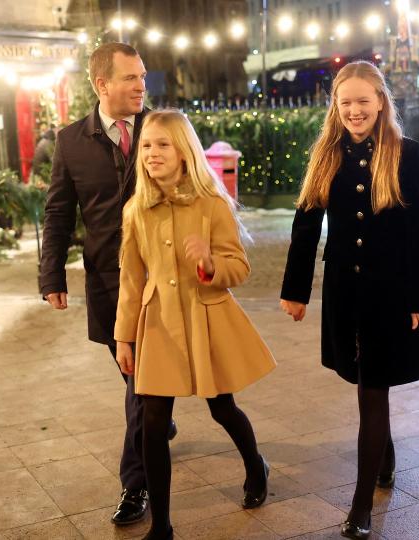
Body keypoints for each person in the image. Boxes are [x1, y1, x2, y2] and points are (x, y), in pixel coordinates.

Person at [280, 61, 419, 539]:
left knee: (373, 389)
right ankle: (384, 457)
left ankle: (361, 504)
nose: (354, 110)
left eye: (362, 101)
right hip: (346, 295)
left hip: (390, 295)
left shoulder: (405, 154)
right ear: (336, 106)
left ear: (380, 102)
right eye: (345, 102)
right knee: (367, 384)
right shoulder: (325, 154)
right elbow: (306, 225)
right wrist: (295, 290)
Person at [114, 109, 276, 540]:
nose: (152, 153)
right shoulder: (136, 211)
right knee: (151, 421)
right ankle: (163, 526)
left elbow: (238, 267)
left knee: (222, 407)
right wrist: (123, 337)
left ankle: (255, 464)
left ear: (184, 151)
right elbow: (131, 280)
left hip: (205, 320)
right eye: (146, 145)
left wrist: (209, 264)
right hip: (158, 325)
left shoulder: (212, 204)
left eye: (163, 144)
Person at [39, 42, 175, 527]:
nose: (143, 86)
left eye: (143, 77)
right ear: (102, 84)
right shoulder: (71, 140)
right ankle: (157, 423)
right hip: (107, 283)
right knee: (137, 381)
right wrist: (51, 273)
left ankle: (134, 484)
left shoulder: (163, 131)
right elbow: (58, 212)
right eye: (131, 78)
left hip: (162, 282)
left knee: (141, 387)